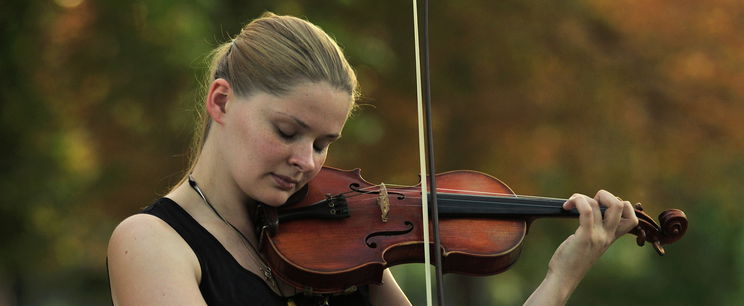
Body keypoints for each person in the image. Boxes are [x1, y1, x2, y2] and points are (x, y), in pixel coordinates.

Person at [107, 12, 639, 306]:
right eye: (288, 131)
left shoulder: (338, 245)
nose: (308, 163)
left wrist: (560, 279)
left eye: (323, 143)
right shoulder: (152, 243)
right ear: (221, 101)